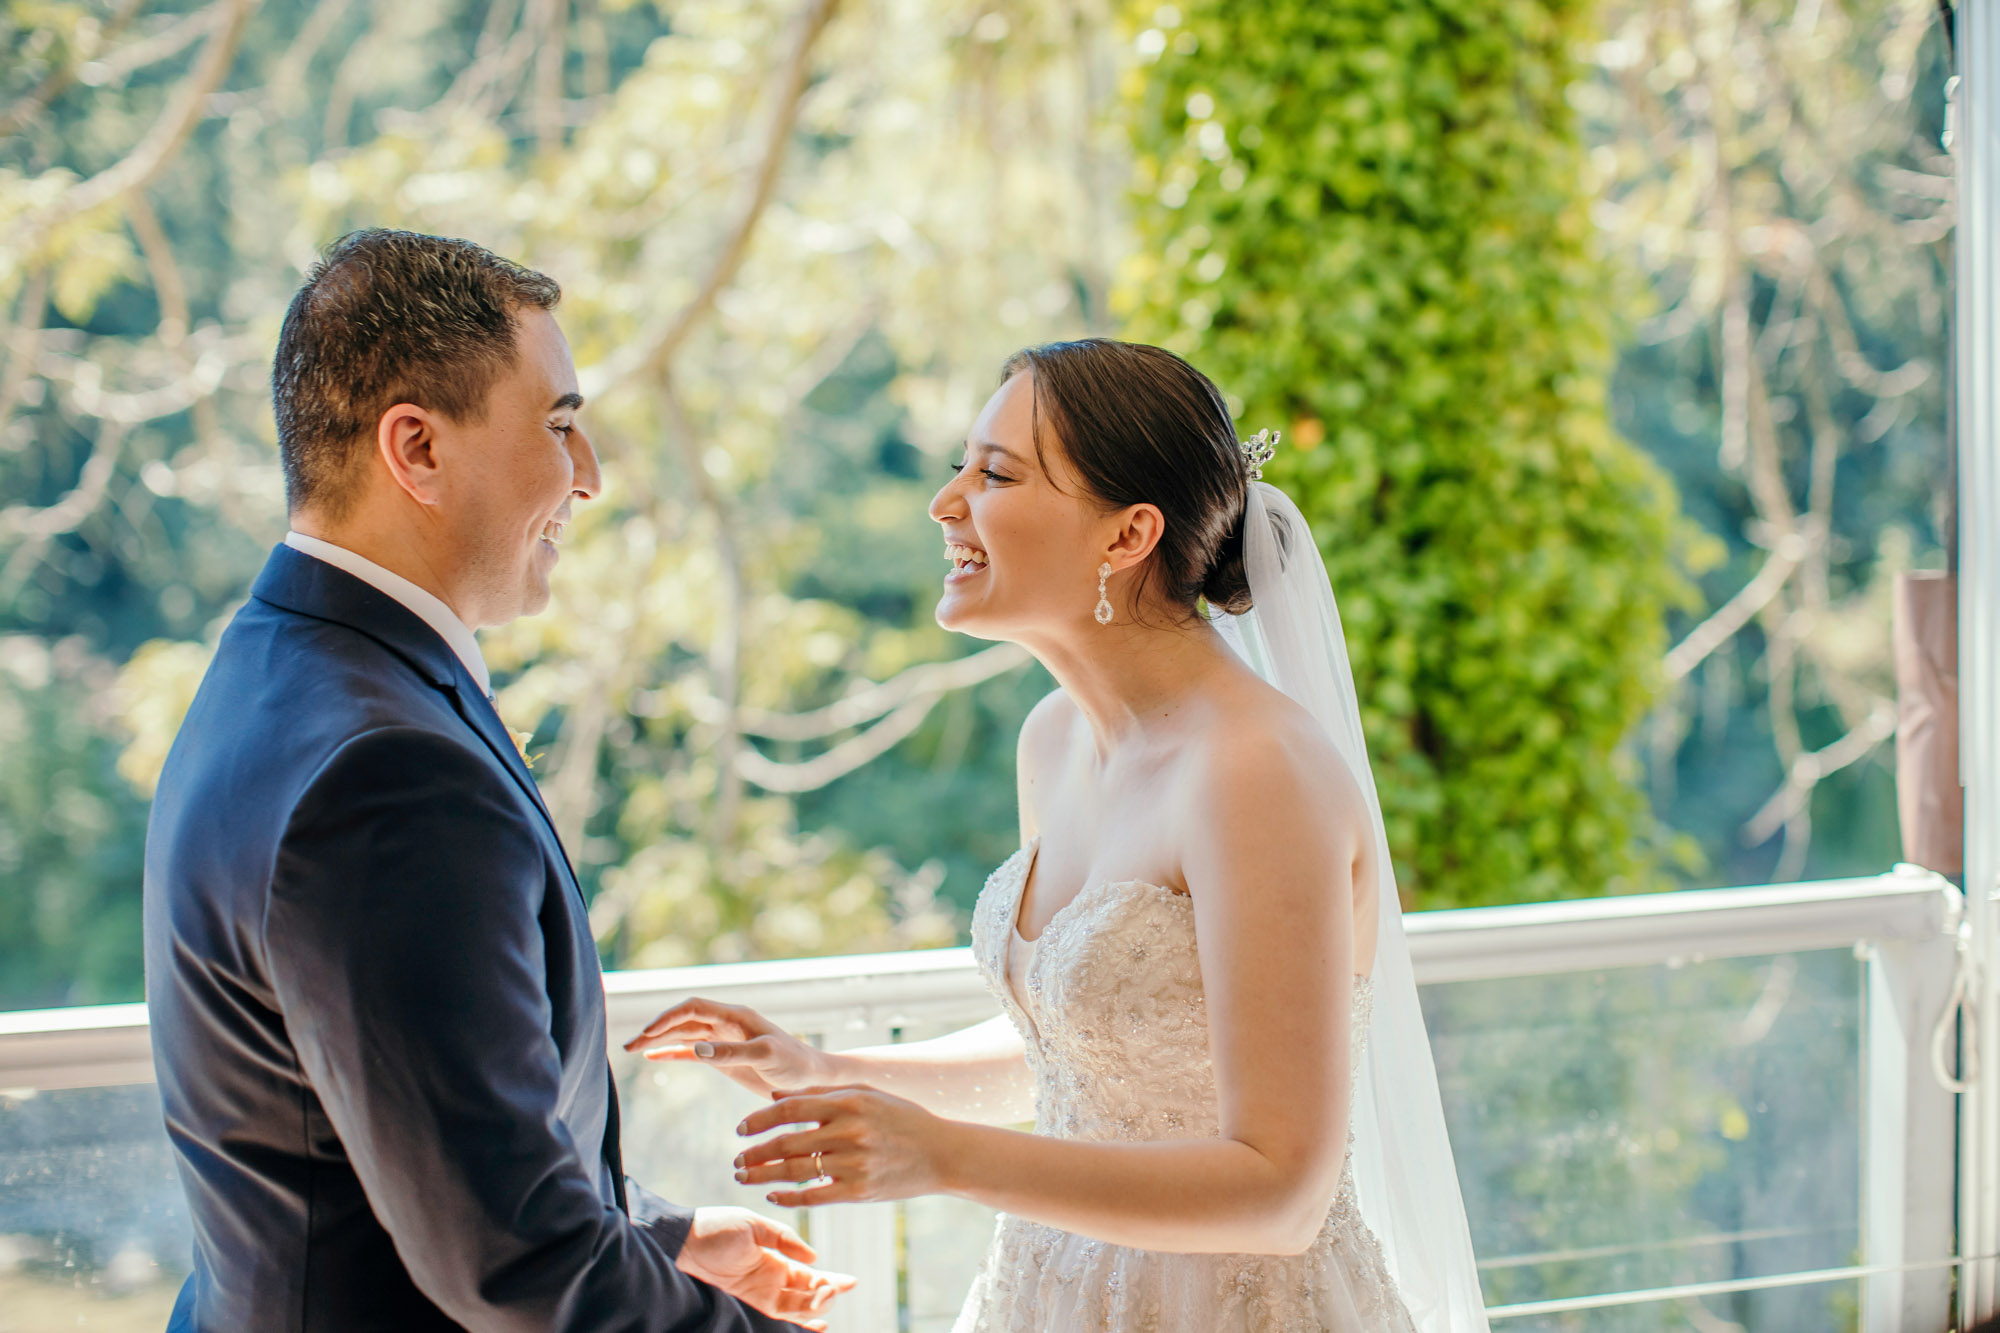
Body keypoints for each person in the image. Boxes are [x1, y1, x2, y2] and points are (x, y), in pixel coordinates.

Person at [627, 339, 1490, 1331]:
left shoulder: (1255, 773)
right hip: (1050, 1292)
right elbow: (1082, 1056)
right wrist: (827, 1071)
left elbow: (1281, 1193)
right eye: (962, 465)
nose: (944, 502)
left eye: (994, 474)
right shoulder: (1052, 743)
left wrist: (943, 1157)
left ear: (1125, 537)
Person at [143, 229, 852, 1332]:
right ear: (416, 449)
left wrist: (660, 1235)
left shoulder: (276, 664)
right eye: (560, 424)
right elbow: (518, 1263)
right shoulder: (386, 774)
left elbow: (400, 1131)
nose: (591, 475)